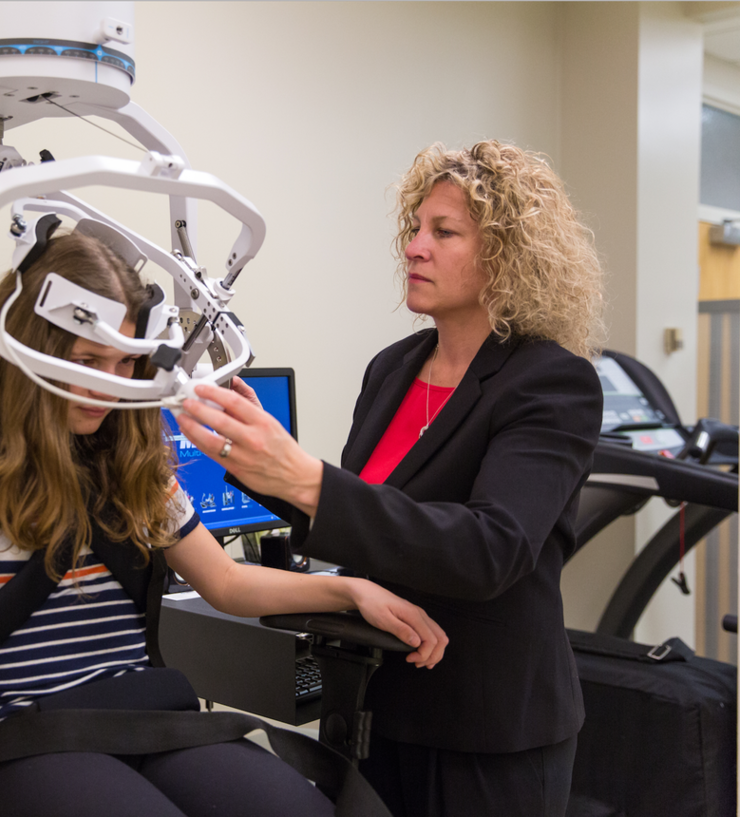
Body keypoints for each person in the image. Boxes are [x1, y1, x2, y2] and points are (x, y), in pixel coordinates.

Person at [0, 230, 447, 817]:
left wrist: (349, 589)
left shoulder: (130, 456)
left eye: (126, 364)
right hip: (19, 732)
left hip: (148, 716)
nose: (109, 386)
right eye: (87, 360)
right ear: (27, 349)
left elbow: (227, 584)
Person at [176, 140, 605, 817]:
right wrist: (253, 458)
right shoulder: (393, 368)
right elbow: (368, 517)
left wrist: (308, 477)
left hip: (485, 731)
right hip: (374, 704)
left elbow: (491, 548)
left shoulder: (550, 381)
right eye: (414, 227)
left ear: (506, 255)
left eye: (444, 232)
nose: (414, 246)